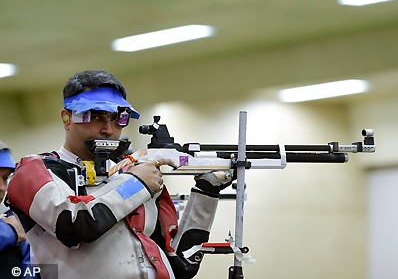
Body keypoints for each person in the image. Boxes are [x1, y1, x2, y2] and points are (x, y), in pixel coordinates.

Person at [7, 70, 232, 279]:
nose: (108, 129)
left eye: (118, 118)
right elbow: (74, 225)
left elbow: (181, 263)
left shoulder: (135, 173)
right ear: (67, 118)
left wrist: (206, 192)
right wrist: (136, 184)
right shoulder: (34, 171)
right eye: (95, 116)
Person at [0, 141, 33, 270]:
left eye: (5, 178)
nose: (2, 188)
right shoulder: (12, 228)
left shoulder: (16, 221)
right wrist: (10, 231)